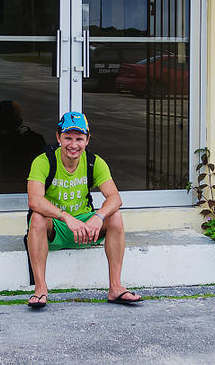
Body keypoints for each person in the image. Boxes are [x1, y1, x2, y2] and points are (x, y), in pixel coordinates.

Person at [26, 111, 142, 308]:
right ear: (58, 137)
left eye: (79, 138)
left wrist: (98, 216)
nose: (73, 144)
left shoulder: (94, 162)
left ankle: (115, 288)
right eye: (68, 138)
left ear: (87, 139)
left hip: (87, 228)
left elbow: (115, 198)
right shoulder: (44, 161)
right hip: (58, 228)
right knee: (37, 217)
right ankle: (40, 290)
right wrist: (65, 217)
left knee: (114, 217)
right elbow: (34, 200)